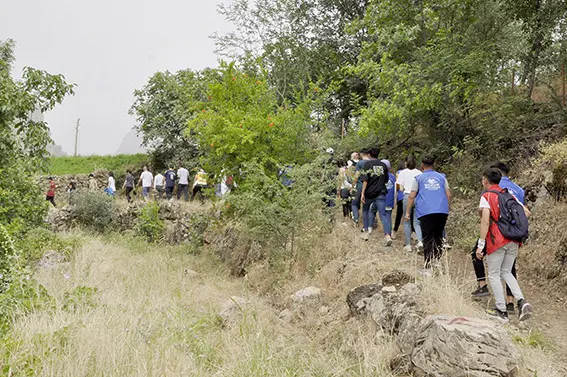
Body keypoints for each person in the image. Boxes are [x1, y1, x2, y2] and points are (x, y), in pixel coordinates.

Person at [475, 168, 532, 322]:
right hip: (513, 239)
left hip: (497, 239)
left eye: (482, 179)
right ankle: (521, 301)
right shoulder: (509, 194)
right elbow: (526, 213)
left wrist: (481, 245)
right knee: (506, 271)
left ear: (486, 181)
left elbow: (485, 221)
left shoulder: (486, 196)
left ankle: (501, 310)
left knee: (493, 274)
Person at [405, 156, 451, 272]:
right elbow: (448, 195)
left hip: (426, 211)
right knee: (438, 236)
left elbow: (411, 196)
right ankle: (438, 262)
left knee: (427, 237)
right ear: (433, 164)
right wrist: (446, 208)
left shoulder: (419, 178)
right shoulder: (442, 177)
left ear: (422, 165)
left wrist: (407, 212)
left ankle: (428, 264)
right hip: (441, 211)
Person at [359, 148, 390, 245]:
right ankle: (387, 235)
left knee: (365, 210)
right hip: (380, 192)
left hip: (369, 193)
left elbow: (365, 180)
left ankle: (366, 232)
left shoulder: (367, 165)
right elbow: (386, 179)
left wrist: (363, 193)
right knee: (383, 214)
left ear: (369, 155)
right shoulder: (383, 165)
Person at [397, 155, 423, 252]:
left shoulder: (402, 173)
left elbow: (401, 188)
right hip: (417, 197)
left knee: (406, 221)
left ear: (406, 163)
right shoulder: (419, 172)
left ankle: (408, 245)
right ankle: (420, 241)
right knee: (417, 222)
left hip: (407, 196)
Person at [351, 149, 370, 226]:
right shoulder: (371, 162)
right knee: (367, 205)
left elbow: (356, 176)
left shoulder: (359, 163)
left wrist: (352, 186)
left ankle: (356, 219)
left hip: (360, 185)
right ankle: (369, 222)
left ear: (362, 154)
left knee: (354, 203)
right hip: (370, 186)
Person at [382, 159, 396, 243]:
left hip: (382, 199)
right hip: (390, 199)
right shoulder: (393, 176)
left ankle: (387, 234)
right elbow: (395, 190)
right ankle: (389, 233)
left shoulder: (380, 176)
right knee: (388, 216)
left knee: (384, 217)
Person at [392, 161, 407, 240]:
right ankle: (413, 233)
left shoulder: (398, 172)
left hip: (401, 196)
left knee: (399, 214)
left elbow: (397, 185)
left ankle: (395, 231)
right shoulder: (412, 172)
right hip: (411, 195)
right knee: (411, 215)